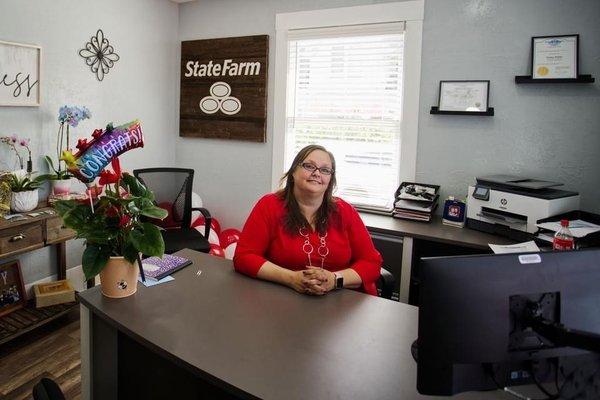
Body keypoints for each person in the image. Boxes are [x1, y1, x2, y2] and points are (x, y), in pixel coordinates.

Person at [233, 144, 382, 296]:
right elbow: (244, 256)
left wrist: (334, 279)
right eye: (309, 166)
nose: (317, 173)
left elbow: (371, 263)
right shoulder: (269, 205)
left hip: (341, 300)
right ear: (293, 172)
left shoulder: (345, 211)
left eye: (325, 170)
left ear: (330, 179)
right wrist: (291, 278)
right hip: (283, 297)